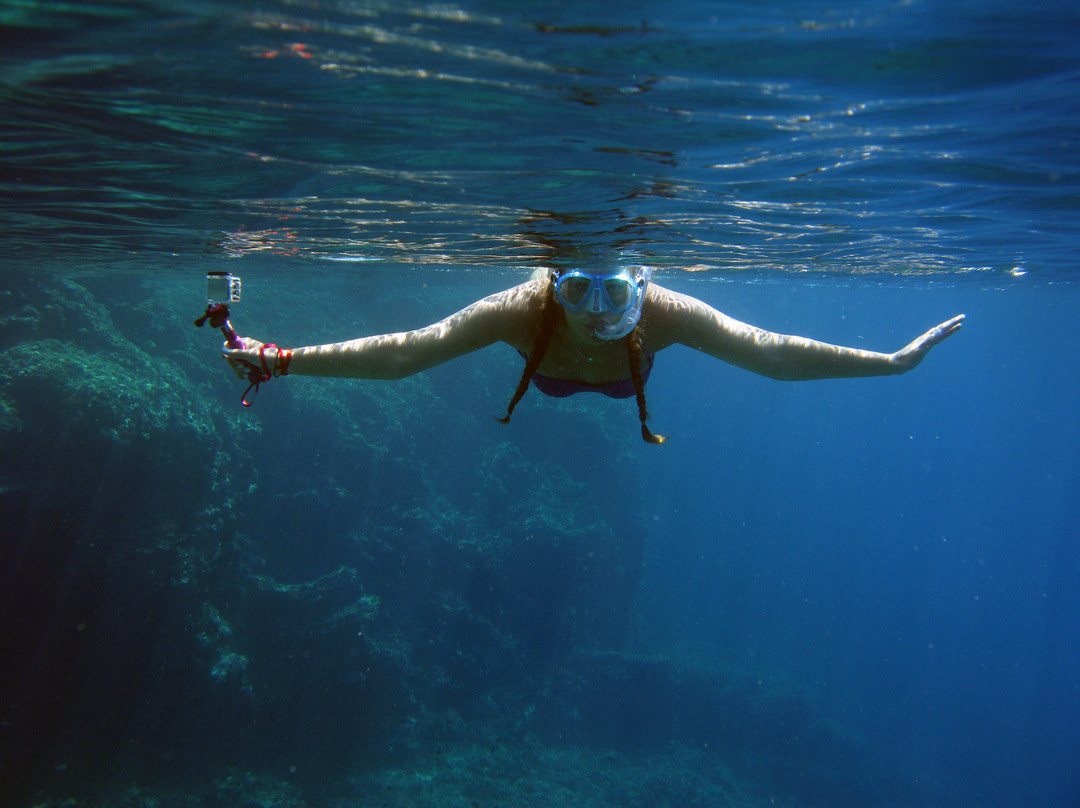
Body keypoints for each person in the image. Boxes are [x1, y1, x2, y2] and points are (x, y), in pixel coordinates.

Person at [223, 265, 964, 443]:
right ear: (554, 281)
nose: (599, 312)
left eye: (615, 289)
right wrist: (280, 358)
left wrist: (891, 362)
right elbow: (406, 355)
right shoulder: (522, 306)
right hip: (553, 377)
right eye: (577, 288)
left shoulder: (670, 311)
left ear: (644, 282)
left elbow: (770, 355)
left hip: (607, 386)